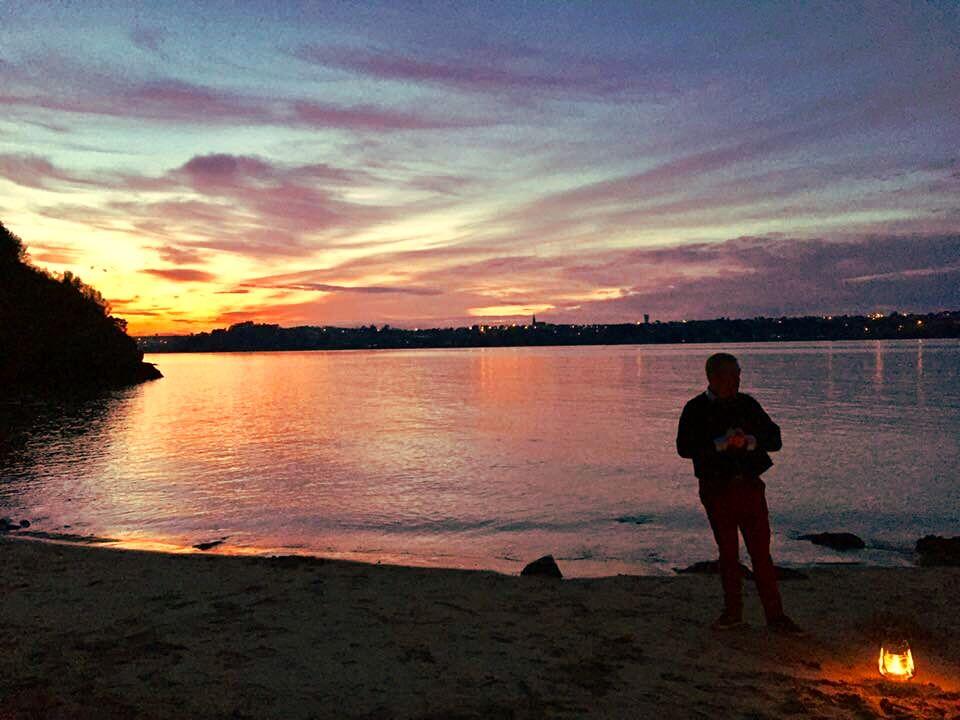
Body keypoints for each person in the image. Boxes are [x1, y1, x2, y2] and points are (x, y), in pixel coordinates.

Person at [676, 352, 803, 635]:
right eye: (731, 376)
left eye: (738, 375)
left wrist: (749, 441)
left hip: (749, 485)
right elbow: (684, 447)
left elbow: (775, 438)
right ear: (713, 378)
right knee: (729, 554)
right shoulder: (695, 408)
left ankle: (775, 615)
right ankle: (733, 613)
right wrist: (721, 444)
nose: (736, 381)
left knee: (761, 553)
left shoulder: (747, 404)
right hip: (716, 489)